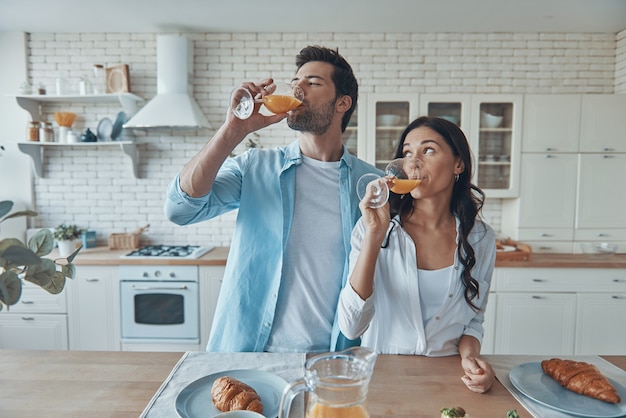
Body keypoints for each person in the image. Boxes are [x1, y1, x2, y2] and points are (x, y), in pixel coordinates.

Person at [164, 45, 381, 353]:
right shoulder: (256, 167)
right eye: (296, 81)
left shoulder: (370, 185)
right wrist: (233, 130)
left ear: (342, 103)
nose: (298, 88)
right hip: (249, 354)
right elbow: (180, 208)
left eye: (313, 82)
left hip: (331, 359)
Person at [337, 116, 496, 393]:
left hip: (449, 381)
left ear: (458, 163)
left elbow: (473, 320)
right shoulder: (374, 227)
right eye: (407, 153)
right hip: (383, 380)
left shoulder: (480, 238)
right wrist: (375, 236)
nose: (413, 162)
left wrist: (470, 357)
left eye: (428, 150)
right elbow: (351, 327)